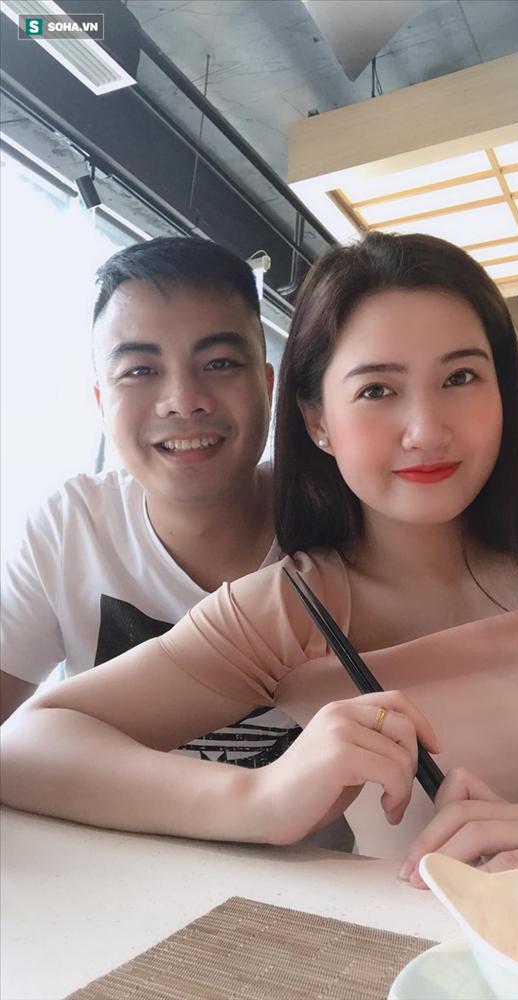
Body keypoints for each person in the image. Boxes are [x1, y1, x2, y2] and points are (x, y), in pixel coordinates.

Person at [2, 232, 518, 883]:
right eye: (377, 390)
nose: (426, 429)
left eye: (460, 377)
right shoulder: (291, 607)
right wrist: (260, 799)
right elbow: (26, 744)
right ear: (317, 420)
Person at [0, 236, 304, 774]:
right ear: (101, 402)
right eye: (140, 371)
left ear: (267, 384)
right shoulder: (71, 527)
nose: (183, 400)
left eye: (219, 362)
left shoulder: (337, 522)